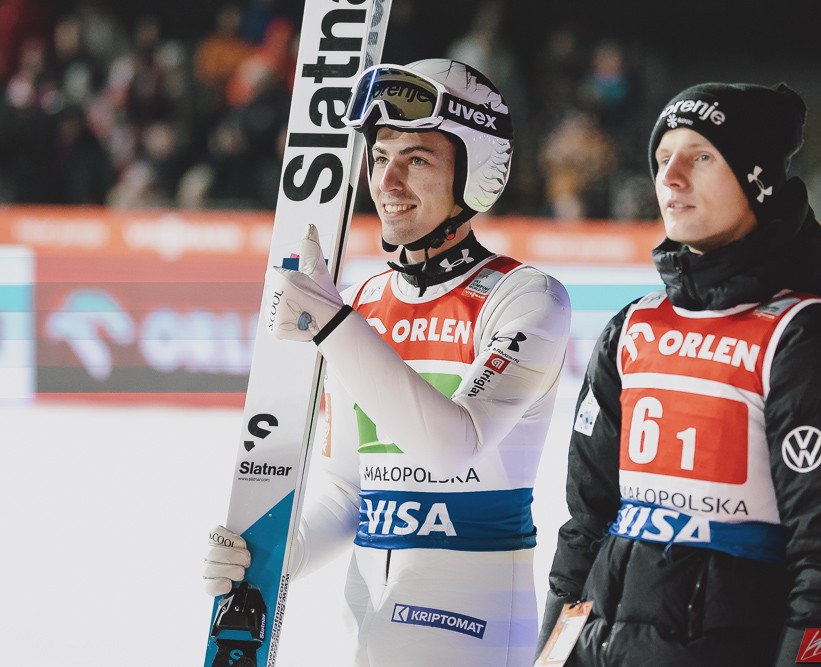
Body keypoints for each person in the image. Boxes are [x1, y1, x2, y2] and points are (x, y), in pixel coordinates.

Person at [204, 59, 571, 666]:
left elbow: (454, 447)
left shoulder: (527, 298)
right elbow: (349, 492)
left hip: (471, 632)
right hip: (363, 628)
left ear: (476, 176)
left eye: (417, 160)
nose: (388, 182)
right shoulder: (363, 304)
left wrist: (333, 324)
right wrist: (272, 556)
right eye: (379, 158)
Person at [536, 82, 821, 666]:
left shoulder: (810, 341)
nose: (670, 177)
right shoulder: (631, 328)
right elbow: (586, 528)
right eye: (662, 158)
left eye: (701, 157)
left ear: (758, 182)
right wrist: (551, 658)